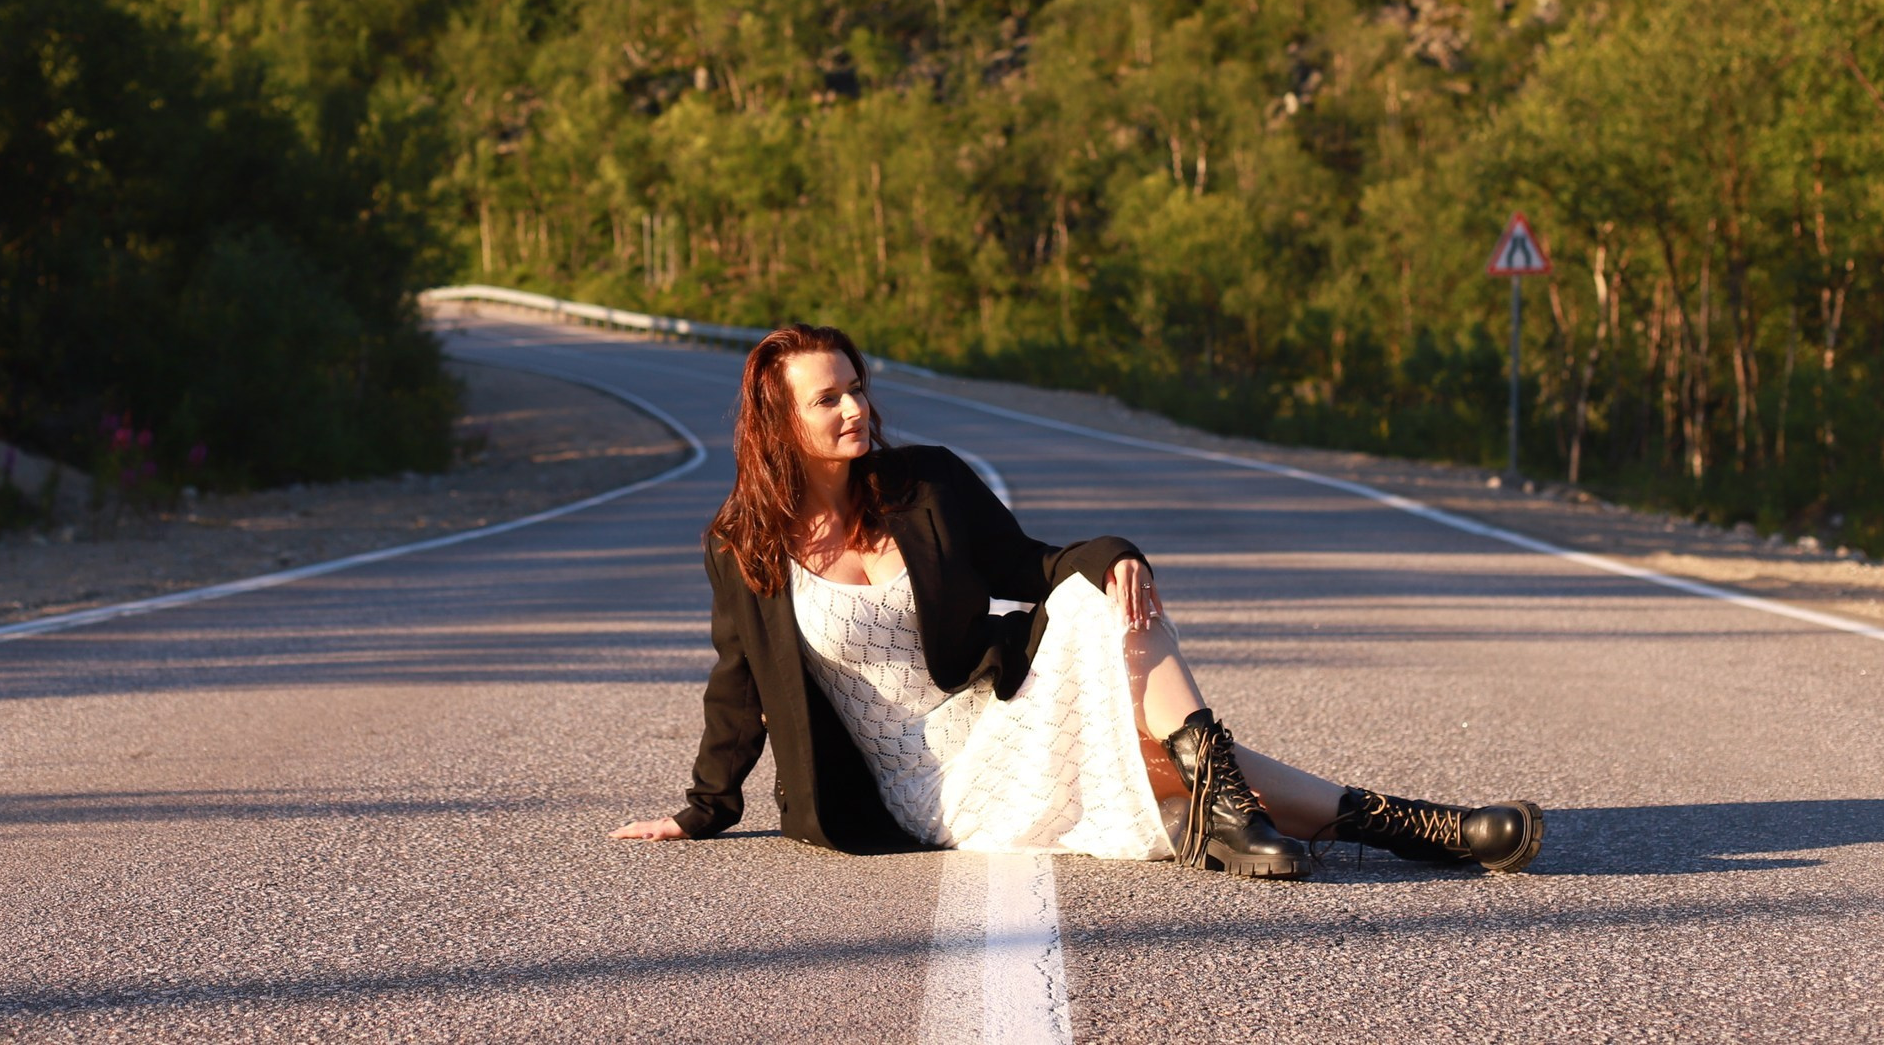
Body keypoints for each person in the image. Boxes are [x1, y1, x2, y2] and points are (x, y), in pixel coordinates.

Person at [610, 323, 1542, 877]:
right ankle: (1413, 825)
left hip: (998, 707)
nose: (853, 410)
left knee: (1104, 598)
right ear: (778, 420)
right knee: (1160, 757)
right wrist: (702, 807)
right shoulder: (744, 549)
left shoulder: (924, 483)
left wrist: (1119, 554)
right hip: (933, 785)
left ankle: (1373, 823)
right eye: (828, 400)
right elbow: (738, 685)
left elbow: (1027, 561)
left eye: (856, 389)